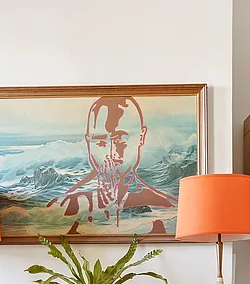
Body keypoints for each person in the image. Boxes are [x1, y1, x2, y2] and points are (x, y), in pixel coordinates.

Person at [47, 96, 176, 227]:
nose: (111, 152)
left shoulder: (167, 208)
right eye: (100, 141)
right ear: (87, 141)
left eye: (119, 139)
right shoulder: (62, 205)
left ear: (141, 137)